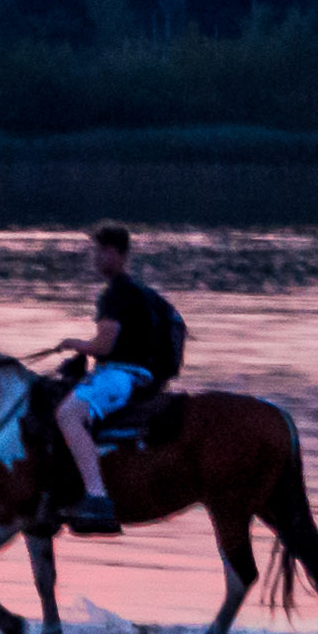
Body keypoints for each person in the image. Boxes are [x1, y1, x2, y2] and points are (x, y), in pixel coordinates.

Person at [35, 223, 188, 535]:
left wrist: (73, 344)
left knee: (68, 415)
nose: (96, 258)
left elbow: (104, 345)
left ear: (118, 254)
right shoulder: (138, 293)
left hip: (121, 375)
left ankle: (97, 496)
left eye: (102, 251)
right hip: (132, 373)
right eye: (96, 251)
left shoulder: (115, 294)